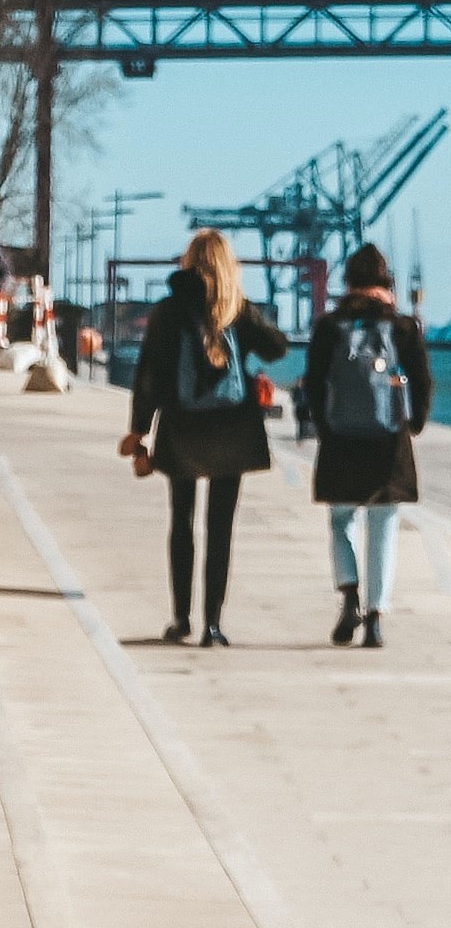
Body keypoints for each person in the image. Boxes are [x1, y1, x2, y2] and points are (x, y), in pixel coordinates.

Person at [125, 229, 290, 645]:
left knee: (181, 522)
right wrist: (242, 306)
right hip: (232, 429)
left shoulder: (168, 310)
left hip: (182, 426)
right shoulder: (236, 309)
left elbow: (149, 375)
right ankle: (213, 624)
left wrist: (139, 431)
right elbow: (277, 348)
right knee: (221, 527)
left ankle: (180, 619)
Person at [298, 242, 434, 648]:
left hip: (341, 440)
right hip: (388, 440)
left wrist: (325, 428)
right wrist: (414, 424)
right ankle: (375, 618)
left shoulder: (329, 326)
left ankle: (349, 595)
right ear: (386, 282)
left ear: (349, 282)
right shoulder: (403, 327)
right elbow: (422, 381)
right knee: (383, 525)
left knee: (341, 520)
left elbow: (314, 383)